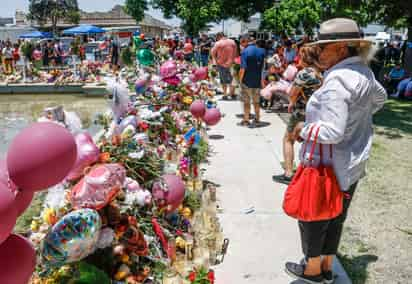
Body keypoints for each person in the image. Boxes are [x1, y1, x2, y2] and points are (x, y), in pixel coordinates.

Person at [284, 18, 387, 284]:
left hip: (326, 165)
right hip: (352, 160)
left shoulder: (338, 81)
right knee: (336, 217)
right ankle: (327, 266)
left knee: (313, 218)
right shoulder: (364, 72)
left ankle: (313, 270)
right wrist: (358, 118)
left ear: (342, 48)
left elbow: (332, 132)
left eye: (324, 47)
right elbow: (380, 98)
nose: (319, 53)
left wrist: (303, 130)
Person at [272, 46, 323, 184]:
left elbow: (292, 93)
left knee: (288, 140)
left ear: (305, 58)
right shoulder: (320, 73)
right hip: (316, 113)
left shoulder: (304, 73)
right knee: (308, 142)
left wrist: (291, 102)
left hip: (300, 111)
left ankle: (288, 173)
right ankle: (307, 172)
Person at [238, 35, 265, 127]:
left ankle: (246, 120)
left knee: (246, 101)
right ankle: (257, 118)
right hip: (257, 80)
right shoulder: (261, 51)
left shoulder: (245, 52)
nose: (240, 45)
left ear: (245, 41)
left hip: (247, 81)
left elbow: (242, 69)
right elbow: (262, 68)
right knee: (256, 101)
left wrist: (240, 81)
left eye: (241, 43)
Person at [211, 32, 238, 100]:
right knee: (232, 79)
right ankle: (232, 94)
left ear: (218, 36)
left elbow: (213, 54)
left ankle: (225, 94)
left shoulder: (218, 43)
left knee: (223, 80)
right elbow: (236, 53)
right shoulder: (233, 42)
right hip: (232, 63)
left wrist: (214, 64)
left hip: (221, 64)